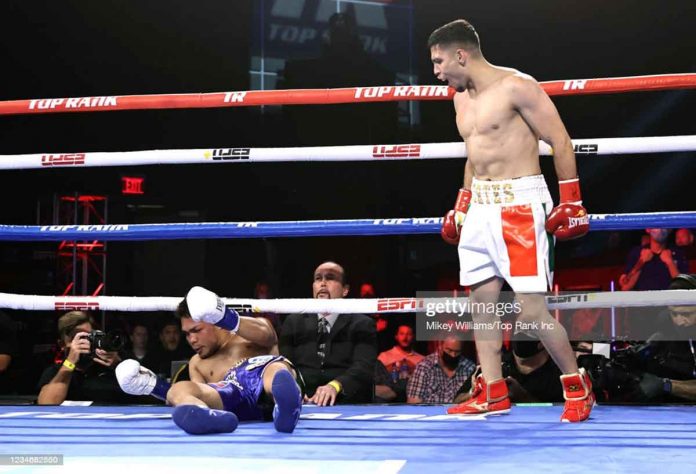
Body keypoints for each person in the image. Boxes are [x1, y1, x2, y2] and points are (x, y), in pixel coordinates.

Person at [430, 19, 594, 422]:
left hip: (520, 206)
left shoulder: (517, 86)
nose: (436, 72)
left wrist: (571, 199)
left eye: (438, 62)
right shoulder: (460, 99)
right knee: (481, 309)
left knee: (532, 313)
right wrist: (462, 205)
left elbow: (560, 140)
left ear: (460, 55)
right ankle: (494, 391)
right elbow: (475, 155)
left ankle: (577, 384)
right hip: (481, 208)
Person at [116, 286, 303, 435]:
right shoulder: (197, 362)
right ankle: (210, 419)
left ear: (215, 320)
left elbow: (267, 334)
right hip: (235, 399)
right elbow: (204, 393)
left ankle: (286, 407)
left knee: (277, 370)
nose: (192, 340)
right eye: (187, 334)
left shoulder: (247, 332)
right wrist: (155, 388)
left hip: (265, 378)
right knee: (179, 389)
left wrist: (225, 316)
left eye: (196, 330)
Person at [279, 261, 377, 406]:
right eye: (318, 278)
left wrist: (335, 386)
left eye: (330, 278)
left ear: (345, 290)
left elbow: (363, 367)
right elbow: (285, 363)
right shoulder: (293, 322)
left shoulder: (362, 323)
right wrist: (295, 388)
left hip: (346, 403)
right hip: (303, 402)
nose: (323, 283)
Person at [37, 311, 128, 405]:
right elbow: (46, 403)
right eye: (77, 337)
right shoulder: (54, 372)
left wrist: (119, 366)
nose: (84, 342)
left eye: (88, 336)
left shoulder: (113, 365)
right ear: (62, 344)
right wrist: (70, 363)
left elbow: (141, 398)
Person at [632, 274, 696, 402]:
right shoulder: (663, 330)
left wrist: (667, 385)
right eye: (674, 313)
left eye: (686, 314)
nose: (679, 321)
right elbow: (634, 352)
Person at [406, 336, 475, 404]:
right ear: (440, 346)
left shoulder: (470, 368)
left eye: (457, 352)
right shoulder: (424, 367)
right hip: (430, 413)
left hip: (458, 413)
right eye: (449, 350)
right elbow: (413, 403)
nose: (453, 355)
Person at [619, 229, 688, 291]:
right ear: (648, 229)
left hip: (669, 302)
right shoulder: (637, 252)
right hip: (644, 302)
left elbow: (684, 288)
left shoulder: (677, 253)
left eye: (663, 226)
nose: (660, 229)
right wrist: (641, 262)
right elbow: (625, 287)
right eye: (656, 225)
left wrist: (670, 263)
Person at [375, 325, 425, 402]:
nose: (405, 338)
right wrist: (395, 366)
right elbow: (377, 376)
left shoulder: (422, 359)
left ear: (413, 337)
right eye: (402, 334)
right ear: (396, 337)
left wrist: (413, 368)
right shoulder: (384, 356)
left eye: (409, 334)